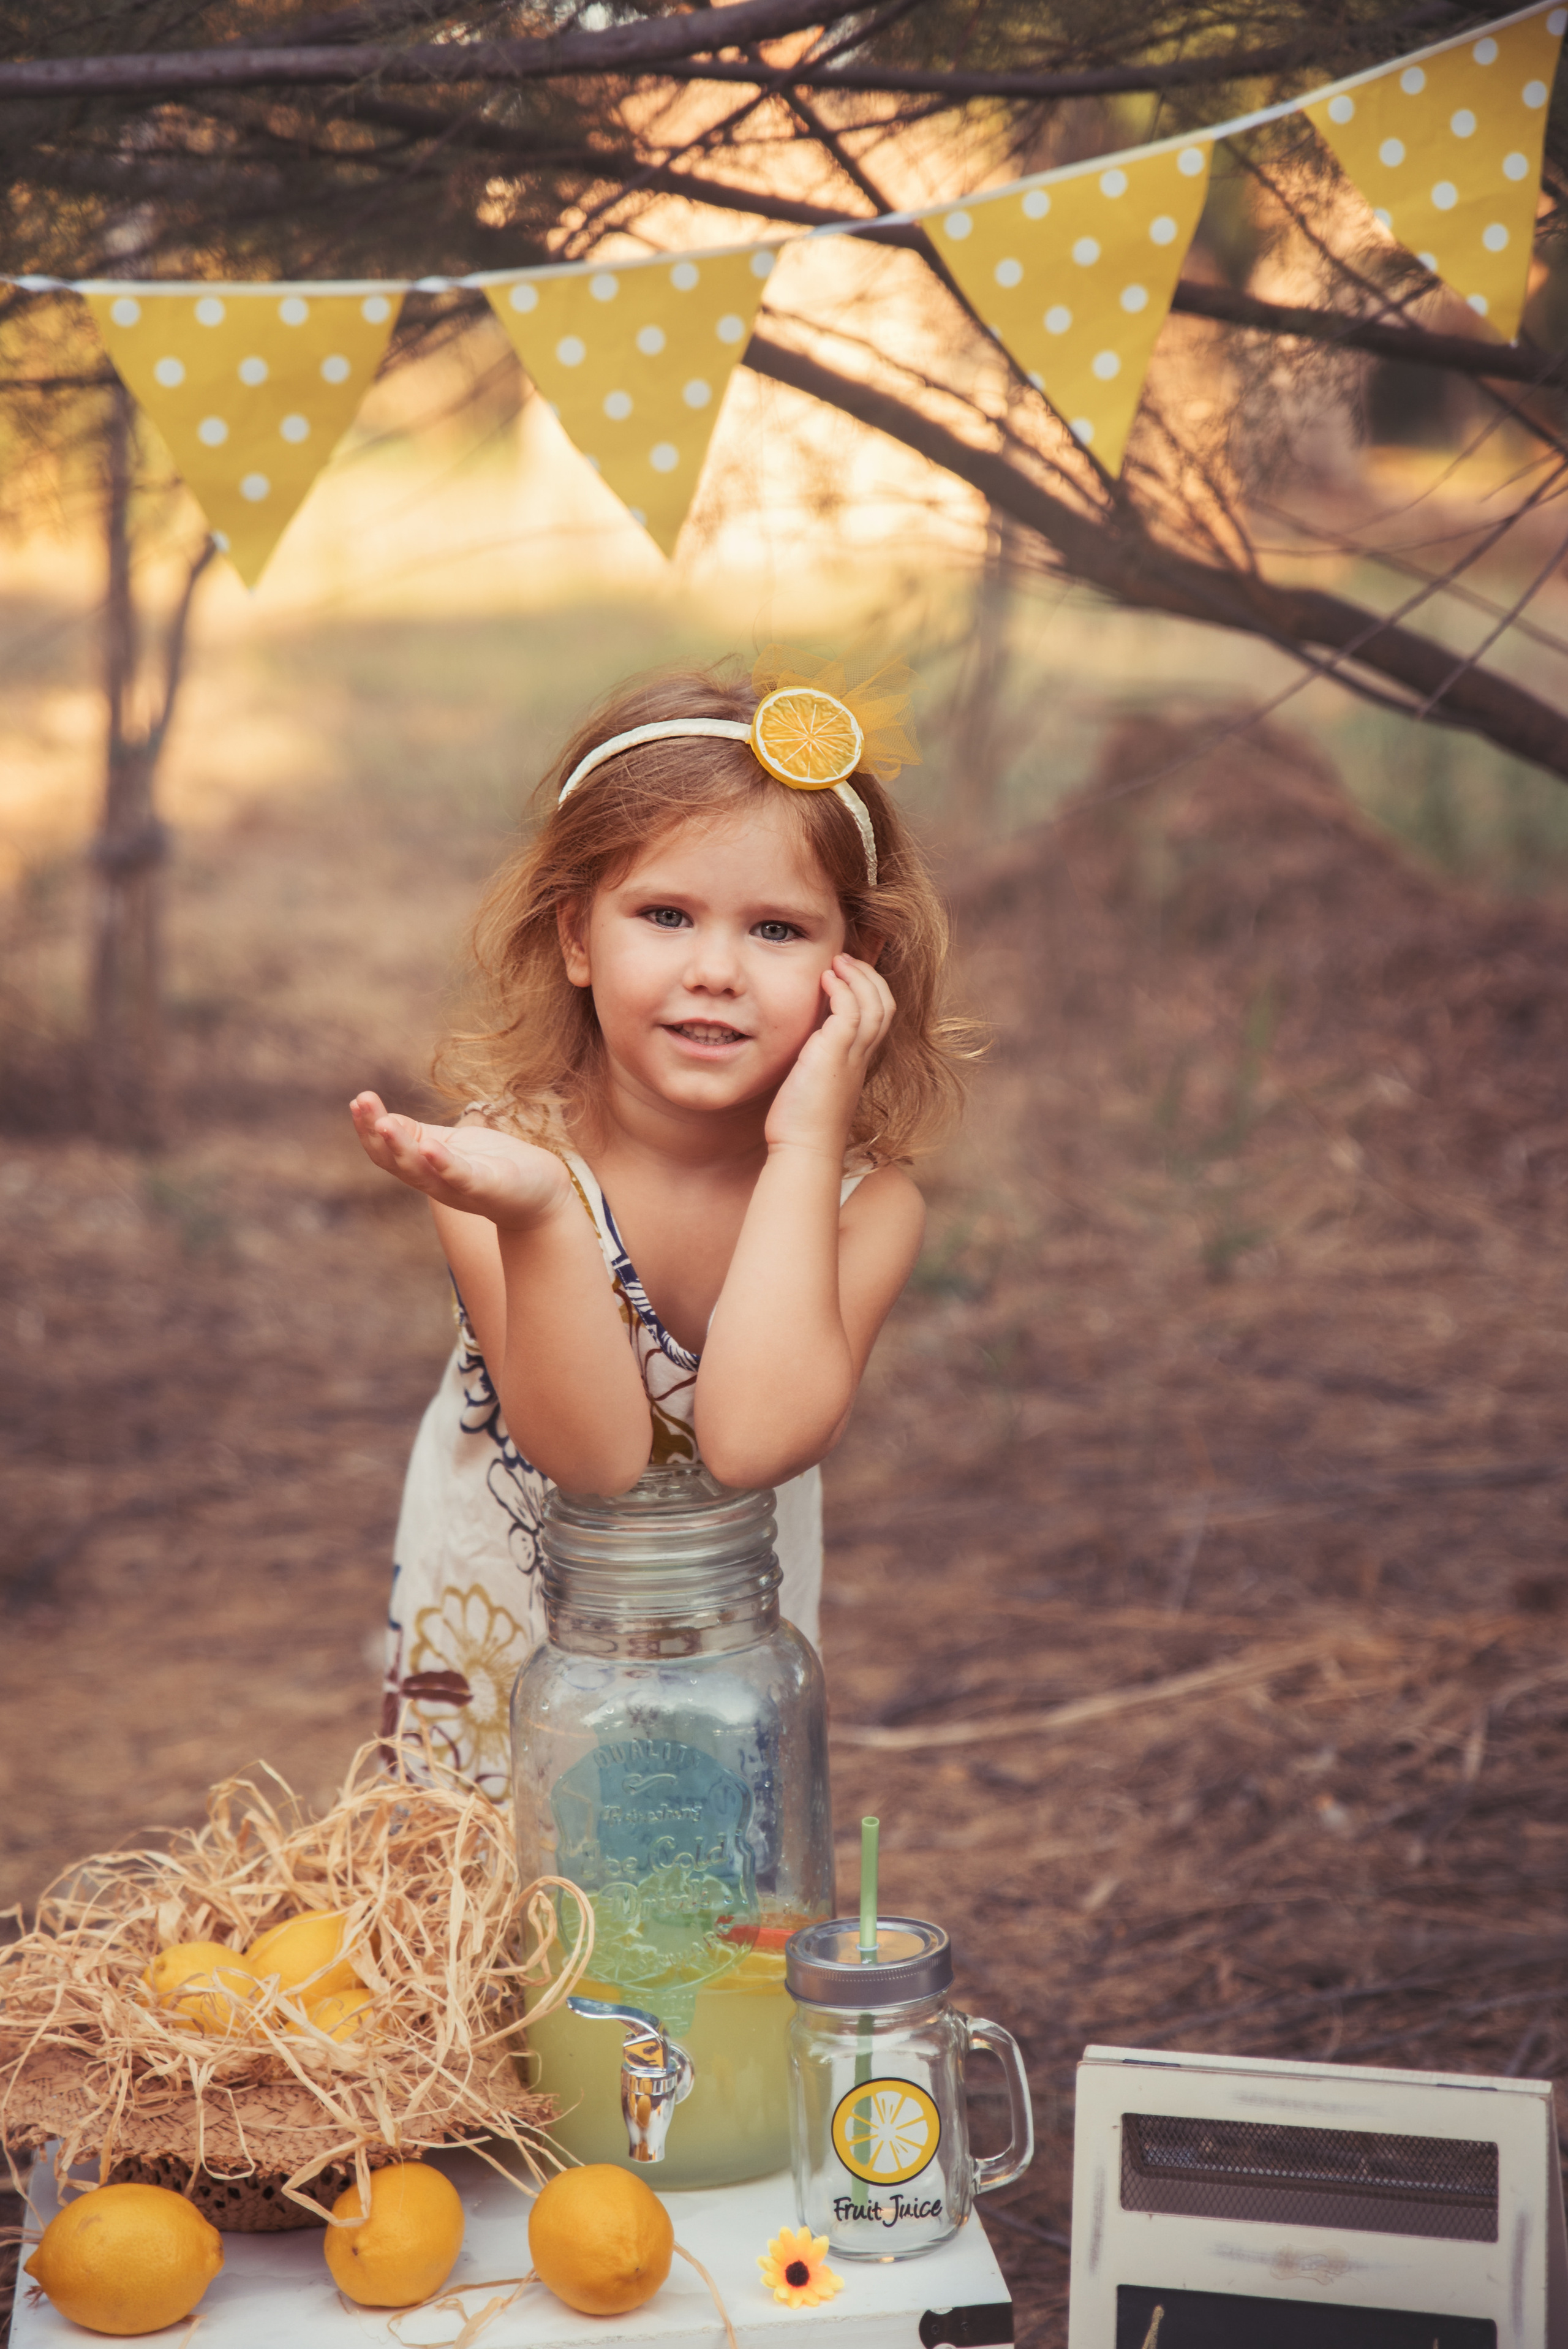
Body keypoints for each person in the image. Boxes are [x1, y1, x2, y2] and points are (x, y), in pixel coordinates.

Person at [352, 651, 972, 1793]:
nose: (717, 970)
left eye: (779, 931)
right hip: (505, 1639)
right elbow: (592, 1456)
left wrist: (805, 1143)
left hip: (721, 1660)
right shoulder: (504, 1165)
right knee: (479, 1928)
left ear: (855, 968)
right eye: (667, 915)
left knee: (697, 1913)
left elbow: (750, 1441)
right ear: (579, 936)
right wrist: (541, 1216)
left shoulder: (864, 1208)